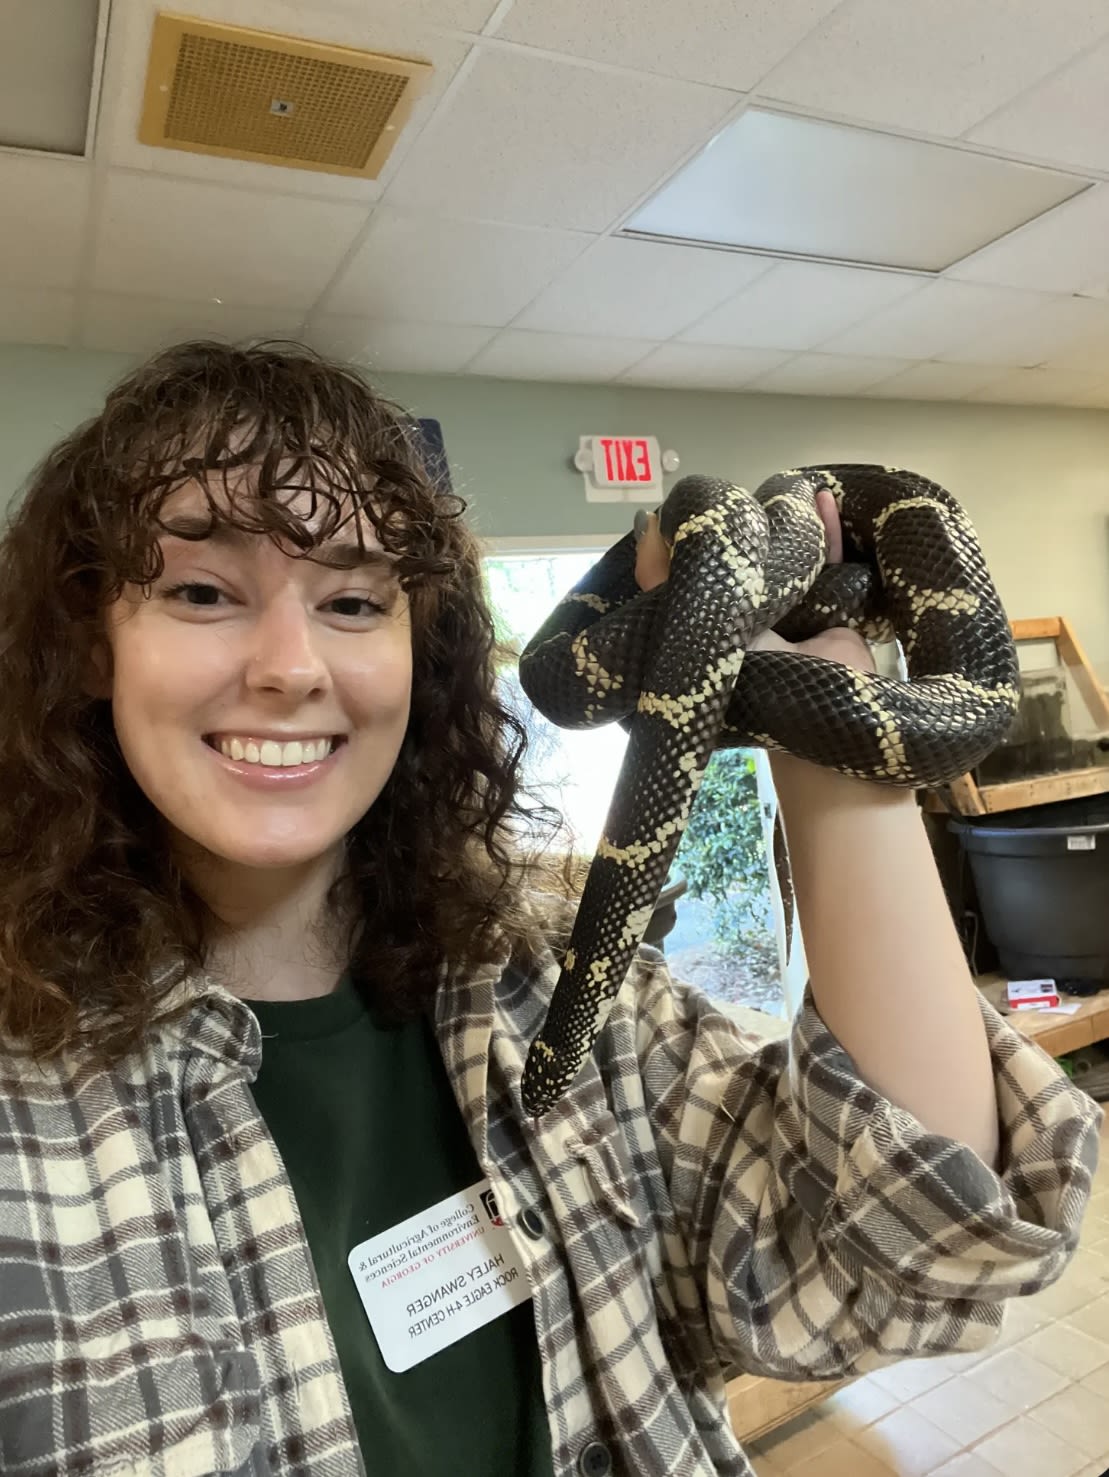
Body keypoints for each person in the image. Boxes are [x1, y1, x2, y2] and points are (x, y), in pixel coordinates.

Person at [0, 340, 1099, 1477]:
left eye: (352, 599)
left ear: (414, 650)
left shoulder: (535, 978)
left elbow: (920, 1241)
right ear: (92, 642)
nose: (290, 664)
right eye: (199, 590)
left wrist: (818, 679)